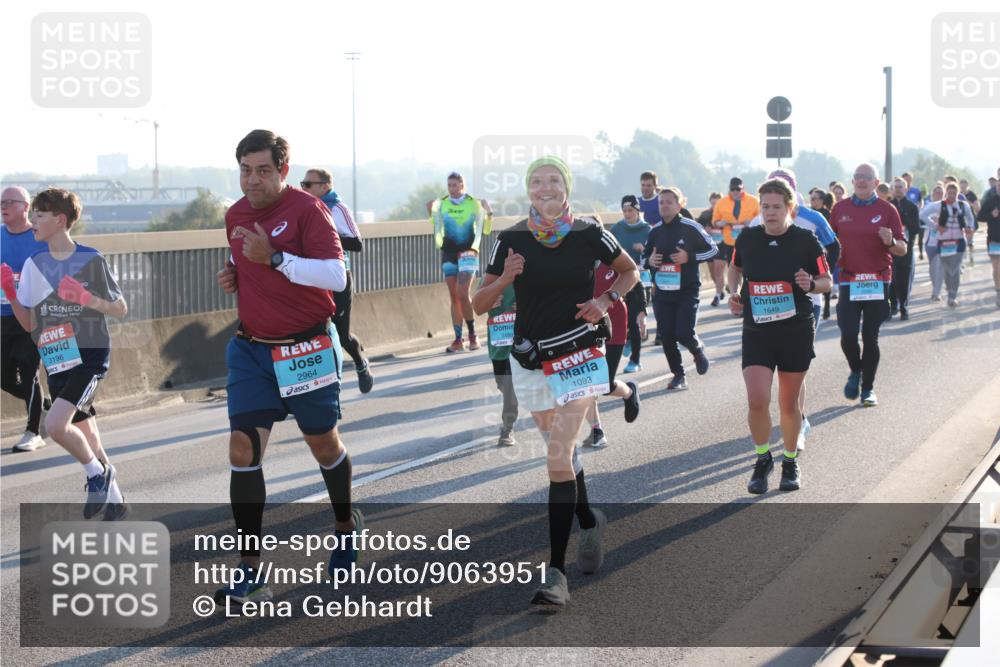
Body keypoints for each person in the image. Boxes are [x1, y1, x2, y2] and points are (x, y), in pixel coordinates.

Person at [474, 155, 638, 607]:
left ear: (566, 187)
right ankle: (588, 519)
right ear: (528, 190)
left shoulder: (588, 232)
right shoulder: (509, 239)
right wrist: (506, 276)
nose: (545, 188)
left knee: (557, 455)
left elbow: (629, 272)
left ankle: (555, 573)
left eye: (553, 180)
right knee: (562, 458)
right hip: (531, 358)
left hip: (581, 354)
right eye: (536, 182)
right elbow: (478, 304)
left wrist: (606, 300)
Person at [213, 130, 361, 605]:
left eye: (262, 170)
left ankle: (344, 525)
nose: (251, 180)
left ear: (283, 171)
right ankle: (251, 569)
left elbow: (336, 276)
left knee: (322, 444)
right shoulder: (235, 214)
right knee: (242, 451)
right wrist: (235, 274)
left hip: (305, 348)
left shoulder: (306, 209)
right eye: (244, 169)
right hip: (252, 350)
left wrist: (276, 258)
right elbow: (246, 261)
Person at [2, 188, 129, 519]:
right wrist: (11, 295)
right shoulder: (34, 263)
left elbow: (119, 308)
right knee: (88, 436)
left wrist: (86, 298)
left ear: (60, 220)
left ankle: (96, 476)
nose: (32, 222)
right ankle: (115, 499)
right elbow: (30, 322)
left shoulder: (90, 259)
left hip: (89, 355)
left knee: (57, 425)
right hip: (56, 356)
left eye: (39, 216)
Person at [728, 178, 831, 493]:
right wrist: (733, 292)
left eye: (776, 207)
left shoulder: (806, 241)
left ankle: (789, 461)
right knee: (757, 400)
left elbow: (826, 281)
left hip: (794, 330)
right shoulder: (748, 238)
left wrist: (810, 285)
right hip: (757, 329)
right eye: (765, 207)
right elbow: (736, 268)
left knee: (788, 405)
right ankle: (762, 460)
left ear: (791, 208)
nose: (769, 213)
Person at [748, 168, 839, 449]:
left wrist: (814, 281)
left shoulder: (813, 219)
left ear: (792, 195)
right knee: (763, 377)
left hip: (806, 303)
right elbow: (744, 260)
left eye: (782, 194)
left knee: (794, 370)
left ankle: (797, 420)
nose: (772, 209)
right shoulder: (755, 222)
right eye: (767, 202)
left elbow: (833, 247)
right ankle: (791, 420)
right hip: (764, 306)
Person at [830, 163, 906, 407]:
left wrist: (890, 240)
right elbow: (829, 245)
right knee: (848, 334)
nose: (862, 181)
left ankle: (868, 389)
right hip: (849, 280)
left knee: (870, 337)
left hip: (877, 280)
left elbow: (902, 249)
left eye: (867, 177)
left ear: (876, 182)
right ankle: (856, 370)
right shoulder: (840, 209)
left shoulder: (887, 209)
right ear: (852, 181)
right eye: (858, 177)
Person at [301, 168, 373, 393]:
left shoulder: (337, 208)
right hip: (315, 277)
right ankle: (321, 386)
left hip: (339, 277)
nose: (304, 188)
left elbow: (357, 243)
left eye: (308, 184)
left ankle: (361, 363)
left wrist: (326, 238)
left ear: (324, 186)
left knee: (341, 336)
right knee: (314, 332)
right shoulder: (306, 209)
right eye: (302, 184)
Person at [644, 187, 718, 390]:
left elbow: (713, 249)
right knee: (666, 335)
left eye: (669, 202)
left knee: (683, 332)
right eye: (661, 202)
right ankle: (679, 375)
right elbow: (643, 259)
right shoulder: (655, 231)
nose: (665, 205)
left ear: (679, 205)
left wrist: (689, 257)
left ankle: (697, 349)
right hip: (663, 292)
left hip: (687, 289)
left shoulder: (690, 227)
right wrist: (650, 260)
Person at [1, 186, 50, 452]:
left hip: (32, 316)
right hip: (4, 316)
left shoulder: (38, 237)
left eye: (10, 202)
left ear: (25, 207)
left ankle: (33, 431)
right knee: (5, 378)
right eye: (1, 202)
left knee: (29, 372)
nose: (3, 206)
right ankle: (43, 406)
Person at [429, 173, 492, 353]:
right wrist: (431, 212)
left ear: (462, 185)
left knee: (463, 293)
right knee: (454, 297)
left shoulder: (473, 203)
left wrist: (489, 212)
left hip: (468, 252)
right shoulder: (442, 204)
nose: (451, 189)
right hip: (448, 253)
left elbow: (486, 230)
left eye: (455, 185)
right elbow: (436, 225)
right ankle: (458, 339)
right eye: (449, 185)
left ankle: (473, 335)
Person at [581, 259, 641, 448]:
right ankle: (597, 431)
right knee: (587, 382)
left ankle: (629, 392)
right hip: (586, 326)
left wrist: (641, 314)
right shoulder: (574, 263)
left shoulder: (612, 259)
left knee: (604, 384)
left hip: (614, 326)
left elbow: (636, 283)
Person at [610, 195, 650, 374]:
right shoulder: (616, 229)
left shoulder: (647, 229)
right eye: (625, 210)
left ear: (637, 210)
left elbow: (655, 254)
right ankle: (627, 339)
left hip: (641, 280)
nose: (627, 214)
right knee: (621, 319)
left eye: (631, 210)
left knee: (635, 319)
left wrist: (644, 250)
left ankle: (635, 360)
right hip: (620, 280)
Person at [919, 182, 976, 307]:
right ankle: (948, 288)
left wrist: (970, 227)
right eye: (949, 193)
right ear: (946, 193)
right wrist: (935, 226)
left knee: (955, 270)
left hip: (959, 241)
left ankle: (952, 297)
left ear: (957, 193)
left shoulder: (963, 205)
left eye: (954, 193)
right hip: (943, 242)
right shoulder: (939, 205)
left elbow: (971, 218)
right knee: (946, 270)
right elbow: (922, 215)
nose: (951, 196)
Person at [712, 177, 760, 306]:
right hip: (730, 242)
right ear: (729, 189)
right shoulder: (721, 203)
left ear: (742, 188)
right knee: (734, 269)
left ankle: (749, 296)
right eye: (732, 189)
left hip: (750, 241)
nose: (735, 192)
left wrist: (751, 223)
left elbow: (762, 218)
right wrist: (721, 223)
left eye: (738, 189)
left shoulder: (754, 201)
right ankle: (738, 297)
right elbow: (714, 221)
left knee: (748, 270)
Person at [484, 281, 519, 447]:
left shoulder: (527, 273)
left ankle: (507, 427)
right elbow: (476, 303)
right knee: (503, 385)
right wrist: (487, 301)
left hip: (521, 341)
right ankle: (513, 397)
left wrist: (527, 304)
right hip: (498, 343)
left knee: (509, 386)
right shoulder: (491, 276)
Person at [888, 177, 921, 320]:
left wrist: (902, 217)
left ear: (906, 189)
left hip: (906, 248)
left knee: (904, 279)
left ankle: (904, 307)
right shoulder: (888, 206)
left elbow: (915, 228)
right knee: (892, 279)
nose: (897, 189)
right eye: (895, 187)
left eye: (900, 187)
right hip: (891, 248)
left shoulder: (912, 207)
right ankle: (892, 306)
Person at [977, 168, 1000, 307]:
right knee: (997, 268)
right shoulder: (991, 201)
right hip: (994, 240)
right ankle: (998, 291)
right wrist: (991, 215)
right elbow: (980, 217)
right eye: (998, 186)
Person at [697, 192, 726, 305]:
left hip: (722, 246)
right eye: (713, 203)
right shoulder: (705, 214)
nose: (715, 206)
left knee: (718, 271)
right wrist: (705, 230)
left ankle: (717, 296)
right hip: (709, 247)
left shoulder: (725, 215)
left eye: (717, 203)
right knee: (713, 273)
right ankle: (720, 289)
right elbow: (698, 229)